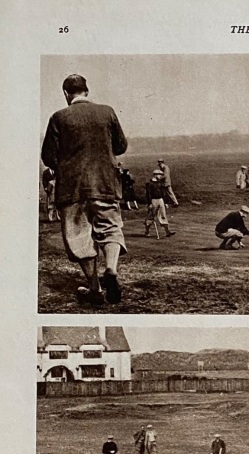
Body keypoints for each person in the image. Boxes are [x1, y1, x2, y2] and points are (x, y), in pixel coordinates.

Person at [41, 73, 128, 306]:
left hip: (72, 189)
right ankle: (111, 269)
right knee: (110, 229)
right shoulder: (107, 111)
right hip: (105, 184)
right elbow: (120, 146)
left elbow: (48, 156)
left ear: (66, 94)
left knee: (79, 237)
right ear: (87, 91)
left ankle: (95, 288)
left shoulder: (58, 117)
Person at [144, 170, 175, 238]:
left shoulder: (160, 183)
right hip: (153, 200)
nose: (160, 176)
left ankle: (167, 232)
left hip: (161, 200)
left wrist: (165, 202)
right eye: (159, 175)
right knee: (151, 216)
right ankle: (147, 232)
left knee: (163, 215)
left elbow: (163, 193)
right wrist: (150, 203)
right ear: (155, 175)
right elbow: (148, 194)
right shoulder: (149, 184)